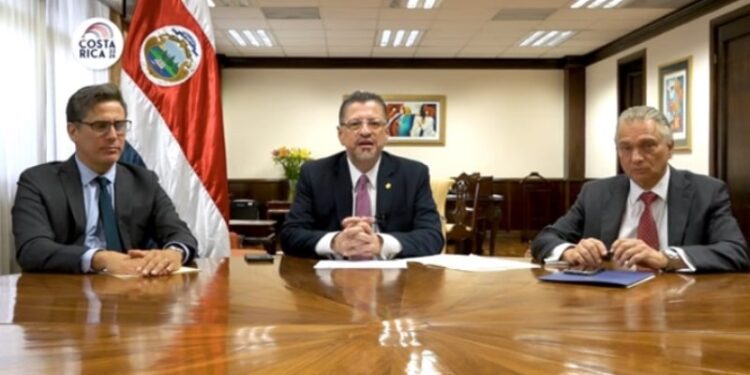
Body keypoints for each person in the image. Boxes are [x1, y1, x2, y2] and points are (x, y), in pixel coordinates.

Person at [531, 106, 748, 273]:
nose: (636, 158)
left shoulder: (707, 192)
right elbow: (546, 238)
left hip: (680, 306)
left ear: (670, 148)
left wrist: (665, 259)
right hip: (609, 306)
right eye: (625, 148)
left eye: (648, 145)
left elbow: (735, 252)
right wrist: (569, 251)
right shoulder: (595, 193)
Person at [12, 83, 197, 275]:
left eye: (120, 125)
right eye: (100, 126)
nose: (113, 136)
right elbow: (31, 249)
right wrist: (99, 258)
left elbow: (179, 233)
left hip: (131, 292)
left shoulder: (143, 181)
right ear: (73, 131)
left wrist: (173, 253)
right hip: (67, 294)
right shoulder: (38, 182)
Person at [280, 90, 443, 259]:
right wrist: (335, 242)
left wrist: (381, 243)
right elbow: (290, 235)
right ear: (340, 134)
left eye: (374, 123)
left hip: (395, 280)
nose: (365, 131)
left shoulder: (414, 174)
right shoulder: (314, 174)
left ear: (386, 133)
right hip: (330, 278)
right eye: (355, 124)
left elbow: (432, 237)